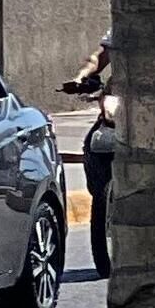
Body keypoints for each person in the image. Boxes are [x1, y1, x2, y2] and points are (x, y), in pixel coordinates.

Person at [63, 33, 116, 275]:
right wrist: (81, 78)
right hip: (121, 98)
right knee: (92, 142)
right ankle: (99, 190)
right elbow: (98, 58)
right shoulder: (122, 26)